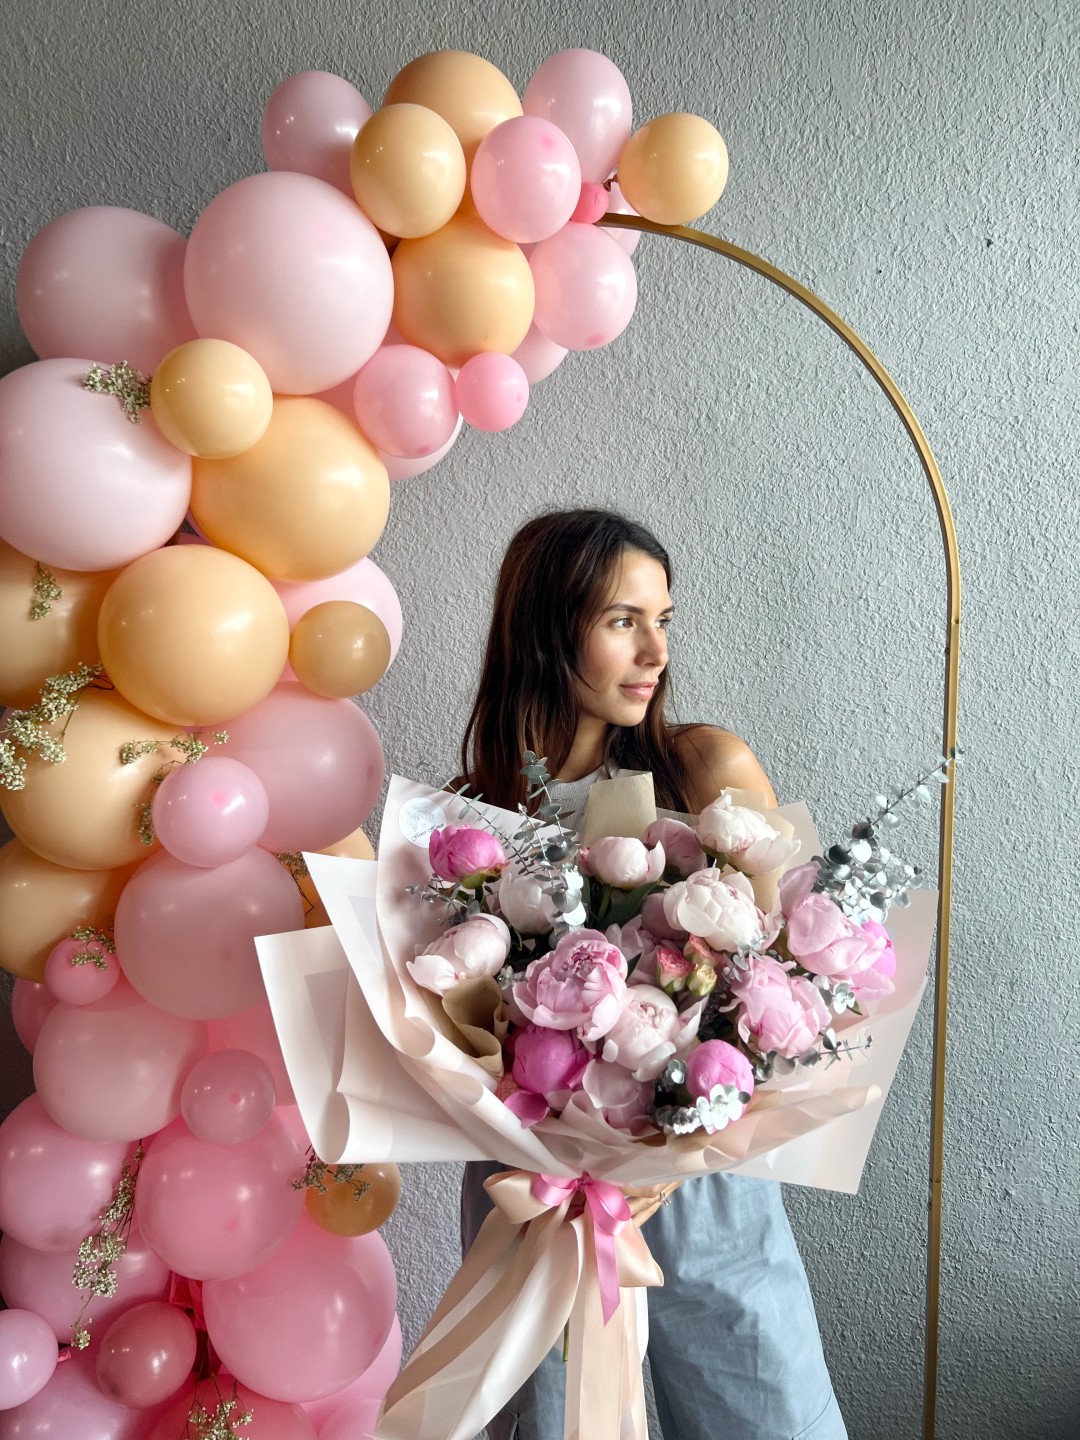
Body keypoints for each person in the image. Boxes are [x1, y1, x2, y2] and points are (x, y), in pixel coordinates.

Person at [456, 508, 847, 1440]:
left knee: (766, 1411)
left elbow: (789, 988)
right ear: (549, 628)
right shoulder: (473, 812)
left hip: (700, 1178)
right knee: (552, 1419)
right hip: (539, 1191)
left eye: (663, 619)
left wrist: (672, 1153)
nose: (656, 652)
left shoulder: (705, 765)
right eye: (624, 620)